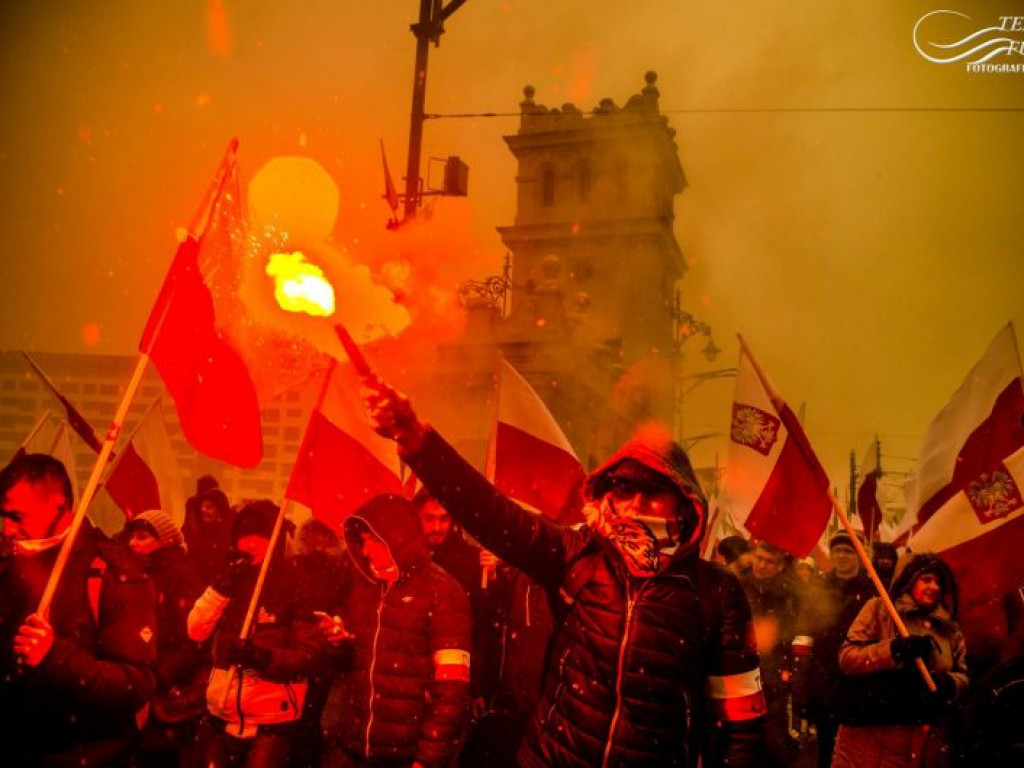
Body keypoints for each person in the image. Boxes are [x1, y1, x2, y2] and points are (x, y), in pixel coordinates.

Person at [363, 379, 766, 767]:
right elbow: (492, 514)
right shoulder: (580, 555)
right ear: (607, 497)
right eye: (624, 490)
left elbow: (741, 722)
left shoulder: (717, 592)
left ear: (684, 502)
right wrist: (419, 442)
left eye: (654, 491)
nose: (636, 505)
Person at [0, 453, 157, 766]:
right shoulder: (8, 564)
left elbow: (137, 684)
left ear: (59, 506)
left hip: (87, 753)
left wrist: (55, 657)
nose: (6, 529)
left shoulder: (111, 570)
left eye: (17, 516)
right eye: (2, 516)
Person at [319, 493, 472, 768]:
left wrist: (428, 759)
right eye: (363, 542)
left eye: (373, 541)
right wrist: (340, 644)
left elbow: (452, 690)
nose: (365, 552)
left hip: (405, 753)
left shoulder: (444, 592)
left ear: (397, 538)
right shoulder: (365, 587)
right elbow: (360, 666)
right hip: (353, 747)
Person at [187, 499, 321, 768]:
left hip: (271, 720)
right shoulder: (232, 579)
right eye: (243, 537)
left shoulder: (296, 584)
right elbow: (195, 630)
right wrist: (221, 587)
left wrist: (259, 657)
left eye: (259, 536)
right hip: (221, 714)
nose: (249, 545)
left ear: (275, 538)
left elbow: (306, 655)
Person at [831, 552, 969, 768]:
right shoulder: (880, 609)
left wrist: (949, 684)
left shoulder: (949, 628)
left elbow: (963, 674)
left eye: (938, 582)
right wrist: (893, 651)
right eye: (926, 580)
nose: (934, 587)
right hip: (872, 735)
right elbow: (847, 658)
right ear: (909, 580)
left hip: (922, 739)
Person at [126, 509, 210, 768]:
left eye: (142, 537)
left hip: (165, 690)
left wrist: (156, 676)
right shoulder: (133, 573)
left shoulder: (181, 577)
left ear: (165, 541)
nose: (132, 543)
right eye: (132, 537)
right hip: (138, 682)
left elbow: (193, 641)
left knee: (158, 755)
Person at [793, 532, 875, 768]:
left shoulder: (872, 591)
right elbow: (804, 635)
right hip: (824, 681)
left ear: (860, 556)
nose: (841, 556)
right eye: (837, 550)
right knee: (828, 748)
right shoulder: (818, 589)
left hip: (859, 681)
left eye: (848, 551)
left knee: (857, 750)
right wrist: (803, 685)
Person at [740, 540, 800, 767]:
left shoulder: (788, 594)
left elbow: (794, 628)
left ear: (781, 566)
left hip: (772, 676)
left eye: (770, 562)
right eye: (759, 558)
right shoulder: (737, 585)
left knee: (772, 740)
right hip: (739, 672)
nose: (762, 565)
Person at [182, 476, 234, 583]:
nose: (203, 511)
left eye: (208, 507)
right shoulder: (193, 503)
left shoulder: (227, 531)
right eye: (203, 508)